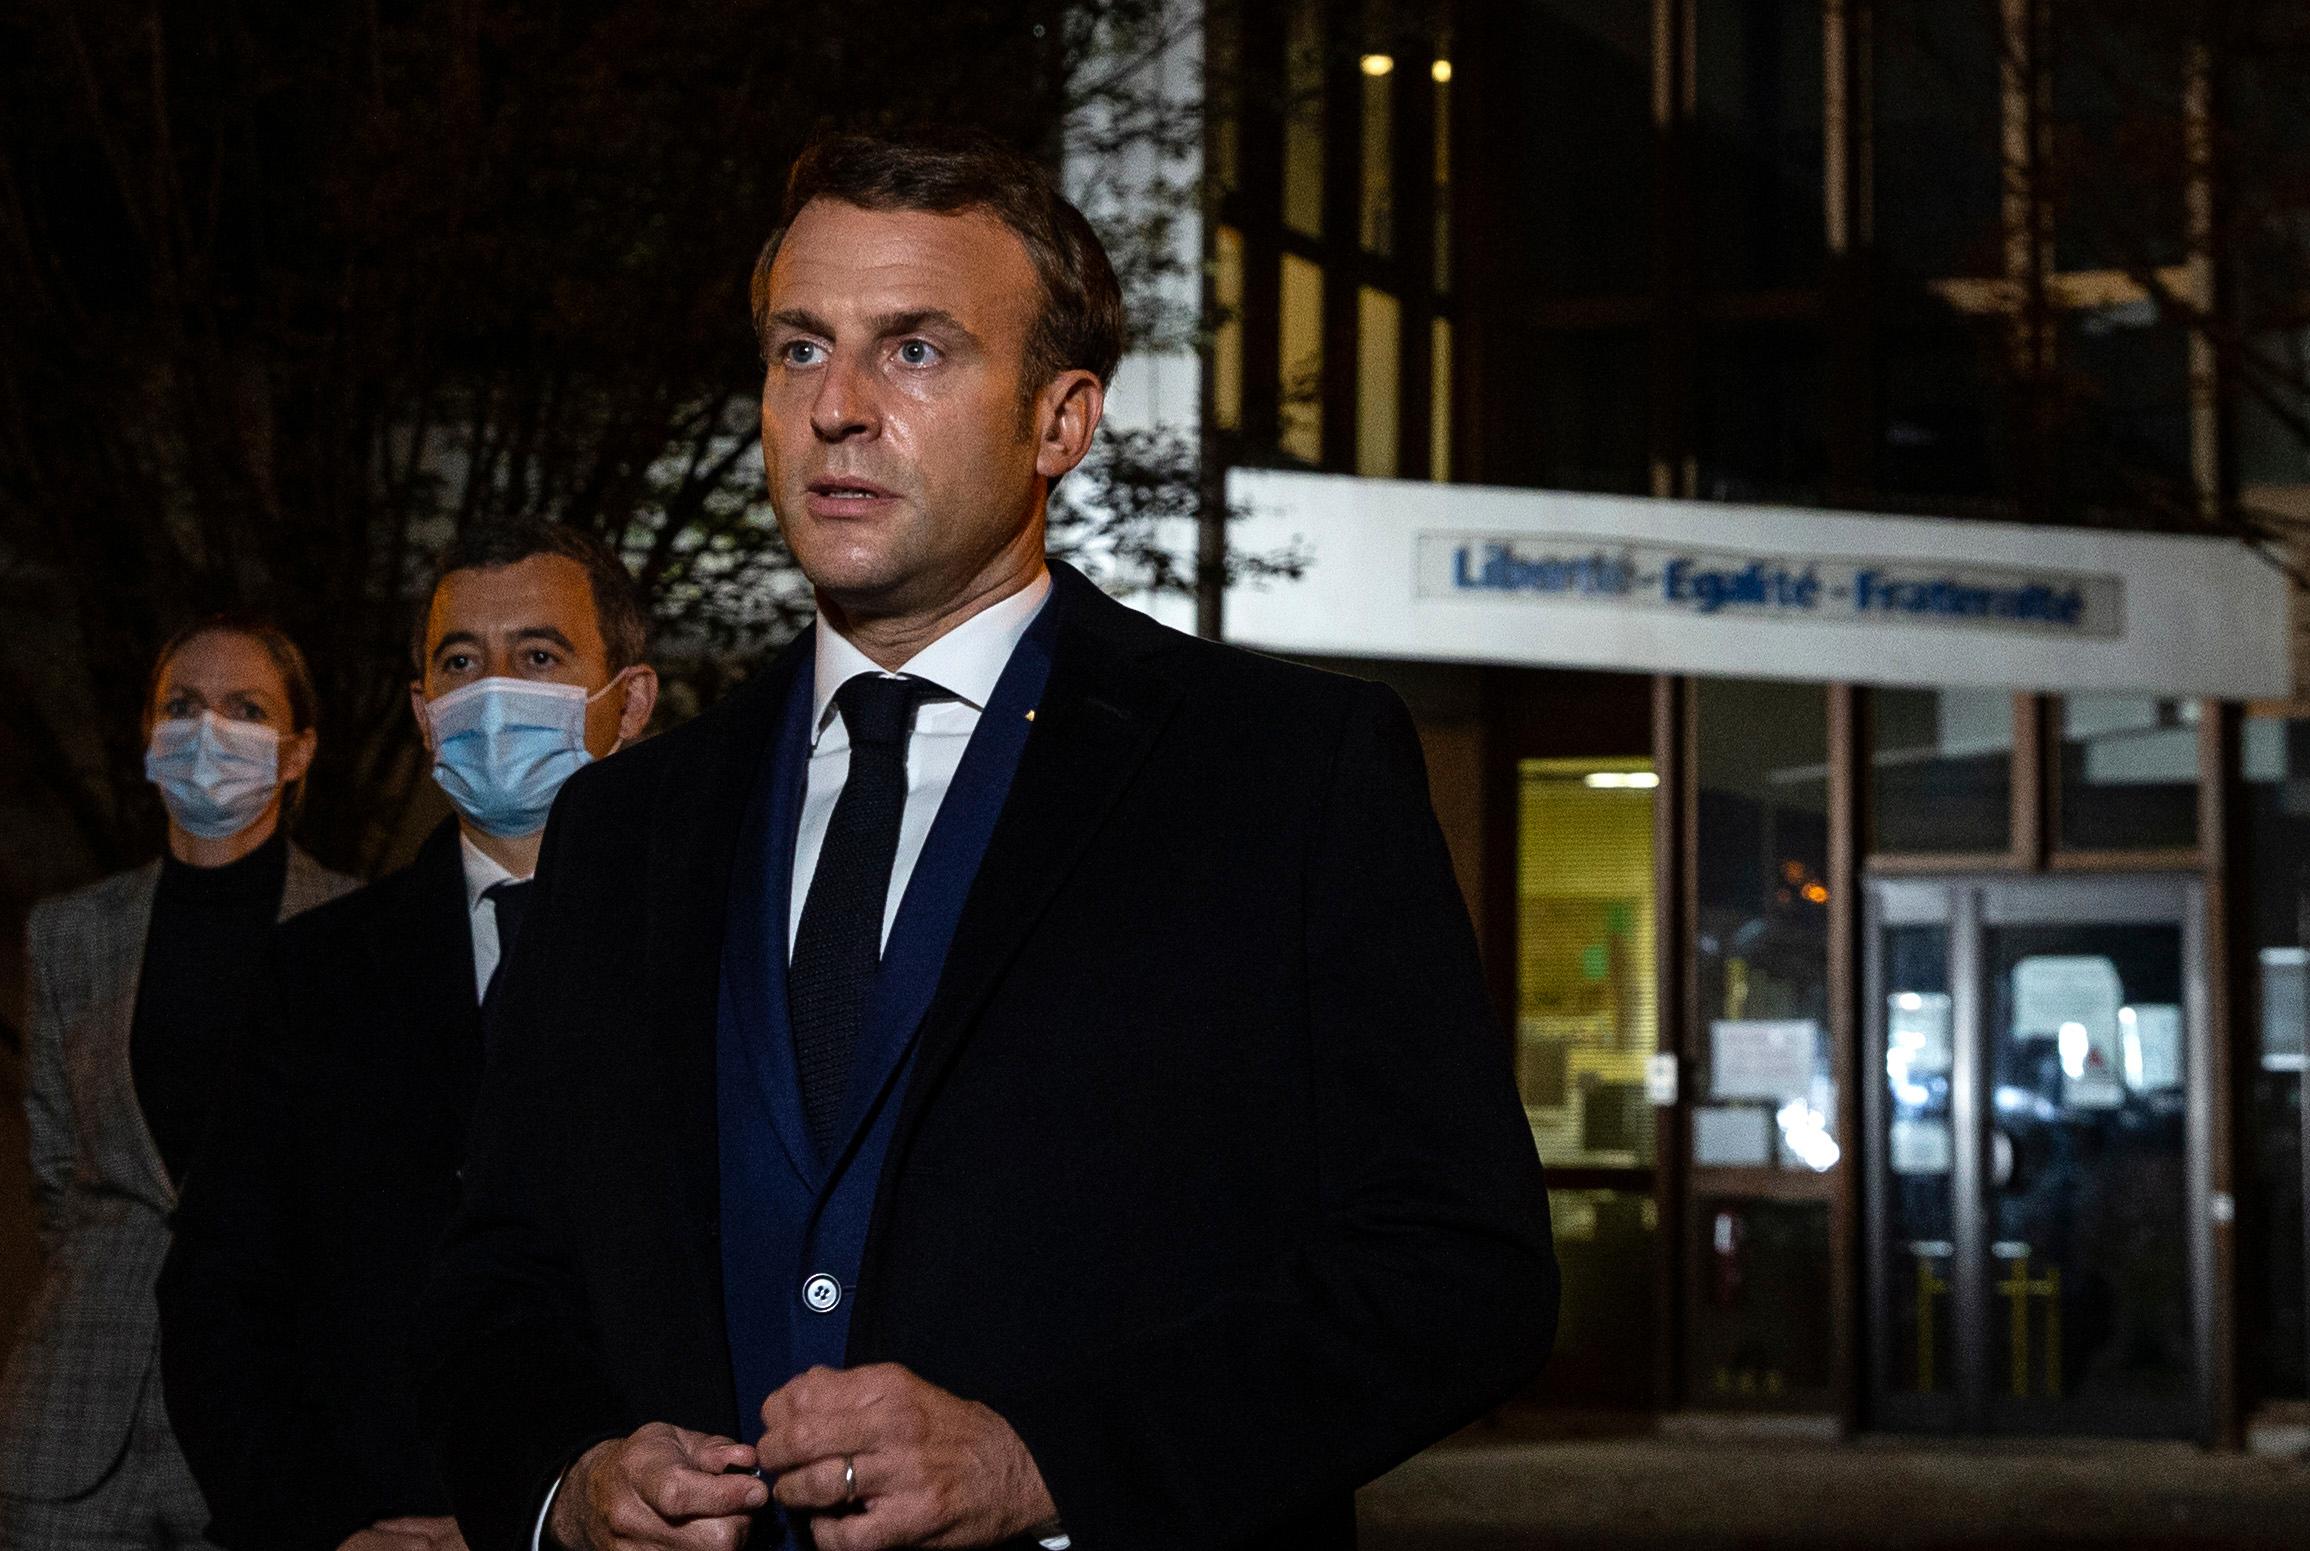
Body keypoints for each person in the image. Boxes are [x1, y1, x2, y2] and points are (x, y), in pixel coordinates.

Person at [417, 133, 1558, 1551]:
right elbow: (504, 1263)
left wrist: (1048, 1461)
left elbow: (1459, 1264)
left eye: (912, 352)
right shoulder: (626, 824)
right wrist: (563, 1483)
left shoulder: (1282, 776)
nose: (834, 406)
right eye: (796, 348)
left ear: (1059, 422)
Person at [157, 524, 660, 1551]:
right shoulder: (316, 974)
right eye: (461, 662)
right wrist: (327, 1529)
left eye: (539, 656)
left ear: (632, 702)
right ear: (426, 717)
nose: (493, 692)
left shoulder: (721, 951)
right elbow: (220, 1297)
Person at [0, 619, 359, 1550]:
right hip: (76, 1417)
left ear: (298, 749)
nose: (209, 730)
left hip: (276, 1411)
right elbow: (55, 1174)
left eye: (247, 709)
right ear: (149, 734)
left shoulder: (364, 930)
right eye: (182, 706)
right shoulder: (70, 934)